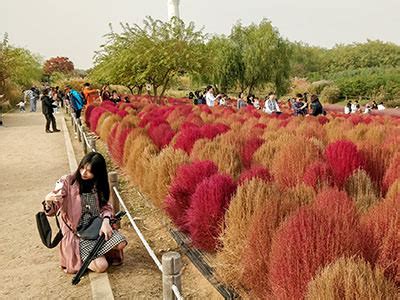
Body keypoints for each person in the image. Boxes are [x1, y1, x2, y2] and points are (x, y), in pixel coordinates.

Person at [42, 152, 127, 274]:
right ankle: (85, 256)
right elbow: (53, 207)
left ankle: (95, 253)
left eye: (89, 171)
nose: (83, 173)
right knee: (102, 266)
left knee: (121, 243)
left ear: (98, 173)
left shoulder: (98, 185)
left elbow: (106, 207)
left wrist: (106, 221)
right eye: (82, 168)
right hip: (78, 236)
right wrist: (48, 201)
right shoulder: (67, 181)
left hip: (97, 229)